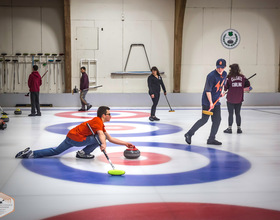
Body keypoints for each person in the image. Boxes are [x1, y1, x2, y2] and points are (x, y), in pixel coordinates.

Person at [15, 106, 135, 159]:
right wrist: (103, 144)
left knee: (56, 150)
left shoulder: (98, 123)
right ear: (104, 115)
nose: (111, 116)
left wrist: (125, 143)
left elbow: (109, 137)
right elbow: (102, 136)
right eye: (109, 114)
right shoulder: (98, 121)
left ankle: (31, 154)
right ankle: (83, 153)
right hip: (77, 138)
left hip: (71, 136)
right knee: (98, 139)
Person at [184, 59, 227, 145]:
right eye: (218, 67)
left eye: (221, 68)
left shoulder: (225, 74)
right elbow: (208, 91)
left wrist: (221, 93)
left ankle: (211, 139)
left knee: (217, 120)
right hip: (207, 102)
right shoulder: (211, 76)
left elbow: (221, 85)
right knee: (204, 120)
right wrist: (211, 102)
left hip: (216, 101)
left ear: (224, 67)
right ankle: (189, 134)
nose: (220, 69)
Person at [223, 64, 250, 134]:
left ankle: (229, 128)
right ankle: (239, 129)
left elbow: (225, 87)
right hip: (239, 98)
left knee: (231, 114)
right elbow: (248, 85)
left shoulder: (229, 77)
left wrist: (229, 88)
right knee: (238, 114)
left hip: (230, 99)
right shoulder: (243, 77)